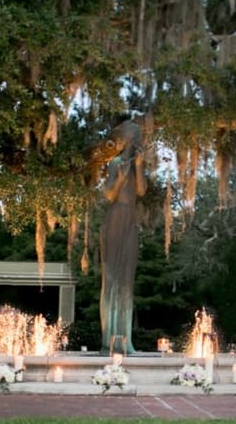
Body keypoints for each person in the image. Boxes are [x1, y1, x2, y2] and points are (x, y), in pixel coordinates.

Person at [99, 120, 146, 354]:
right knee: (111, 279)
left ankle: (125, 340)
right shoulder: (115, 163)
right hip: (115, 217)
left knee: (127, 280)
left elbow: (141, 190)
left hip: (131, 221)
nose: (139, 142)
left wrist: (138, 167)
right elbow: (108, 194)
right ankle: (108, 339)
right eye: (136, 138)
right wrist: (119, 177)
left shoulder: (137, 163)